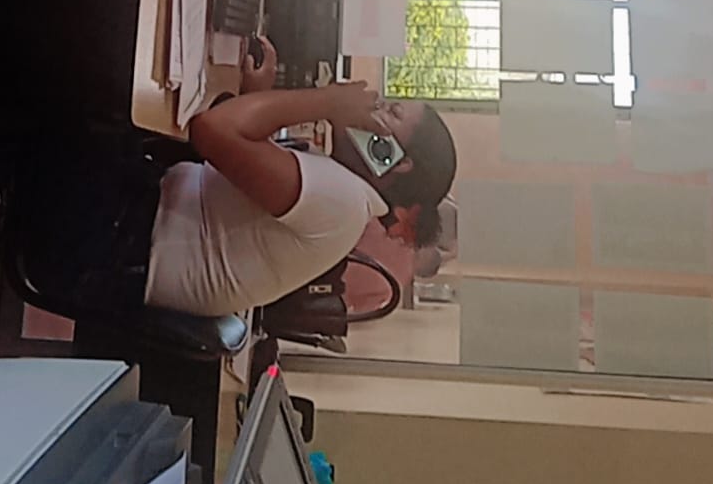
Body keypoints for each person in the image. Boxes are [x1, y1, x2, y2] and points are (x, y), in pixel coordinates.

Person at [30, 39, 458, 320]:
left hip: (108, 245)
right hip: (128, 226)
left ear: (396, 161)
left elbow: (210, 132)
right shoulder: (346, 195)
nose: (375, 103)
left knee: (86, 74)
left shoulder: (342, 200)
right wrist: (259, 96)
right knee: (108, 91)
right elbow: (247, 174)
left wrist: (328, 101)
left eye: (391, 112)